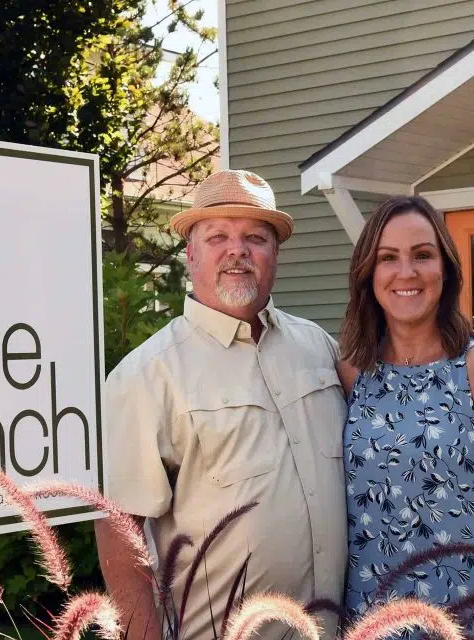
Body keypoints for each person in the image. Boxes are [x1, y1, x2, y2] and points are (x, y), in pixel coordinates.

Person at [96, 169, 349, 640]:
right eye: (218, 237)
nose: (238, 250)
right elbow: (119, 530)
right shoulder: (148, 375)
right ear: (190, 253)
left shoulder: (317, 348)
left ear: (276, 254)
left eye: (256, 237)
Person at [335, 196, 474, 640]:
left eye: (422, 255)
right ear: (368, 274)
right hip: (370, 625)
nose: (406, 272)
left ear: (445, 269)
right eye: (387, 258)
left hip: (469, 623)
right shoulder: (352, 373)